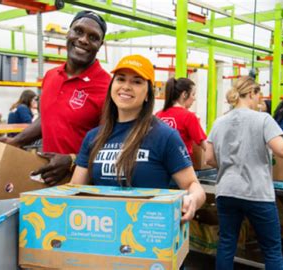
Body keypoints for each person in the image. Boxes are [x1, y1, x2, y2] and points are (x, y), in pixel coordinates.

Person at [70, 55, 206, 222]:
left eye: (137, 81)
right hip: (102, 231)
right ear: (112, 86)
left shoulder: (165, 136)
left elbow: (193, 185)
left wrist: (192, 200)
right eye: (121, 79)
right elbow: (74, 190)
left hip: (147, 233)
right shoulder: (93, 137)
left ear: (148, 93)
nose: (126, 86)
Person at [205, 76, 283, 270]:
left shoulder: (219, 121)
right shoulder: (263, 119)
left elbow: (209, 158)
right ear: (251, 93)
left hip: (226, 191)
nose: (260, 100)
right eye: (259, 95)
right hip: (256, 192)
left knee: (226, 245)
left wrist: (229, 164)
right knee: (271, 249)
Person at [0, 10, 111, 185]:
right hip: (47, 179)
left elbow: (111, 142)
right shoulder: (51, 76)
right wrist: (16, 141)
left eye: (93, 37)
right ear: (69, 32)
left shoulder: (107, 87)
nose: (83, 40)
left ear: (100, 45)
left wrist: (72, 160)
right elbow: (48, 118)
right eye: (79, 31)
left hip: (82, 186)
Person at [155, 77, 207, 161]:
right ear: (184, 94)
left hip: (159, 165)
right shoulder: (189, 116)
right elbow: (205, 146)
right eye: (193, 94)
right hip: (180, 166)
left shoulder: (158, 115)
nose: (194, 98)